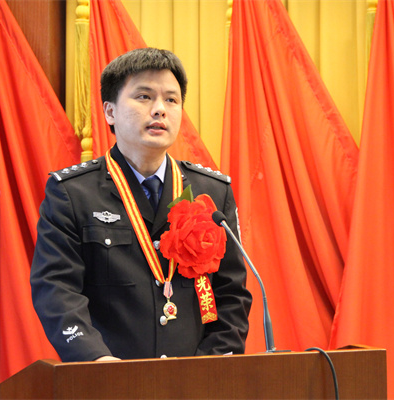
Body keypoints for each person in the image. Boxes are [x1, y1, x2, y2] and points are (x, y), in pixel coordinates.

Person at [31, 47, 252, 362]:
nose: (160, 109)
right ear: (110, 112)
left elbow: (232, 295)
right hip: (109, 377)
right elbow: (57, 291)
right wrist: (96, 360)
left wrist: (210, 367)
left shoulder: (212, 193)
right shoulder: (72, 194)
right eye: (144, 97)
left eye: (171, 100)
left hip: (196, 378)